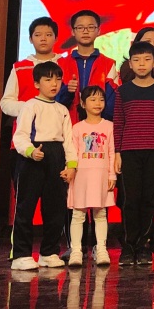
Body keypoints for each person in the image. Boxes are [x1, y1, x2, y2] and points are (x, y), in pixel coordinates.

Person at [10, 61, 77, 271]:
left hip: (56, 156)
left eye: (58, 79)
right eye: (48, 79)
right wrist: (30, 151)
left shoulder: (62, 109)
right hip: (33, 156)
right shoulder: (30, 106)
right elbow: (20, 135)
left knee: (55, 208)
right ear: (37, 83)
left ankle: (48, 252)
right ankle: (21, 254)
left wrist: (71, 165)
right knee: (26, 207)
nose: (54, 84)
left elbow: (69, 140)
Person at [113, 40, 154, 266]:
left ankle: (144, 244)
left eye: (147, 59)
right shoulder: (123, 91)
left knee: (149, 199)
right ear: (130, 64)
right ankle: (128, 246)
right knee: (130, 200)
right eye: (136, 60)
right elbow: (119, 122)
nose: (142, 64)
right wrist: (117, 152)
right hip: (129, 152)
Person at [66, 85, 115, 267]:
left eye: (101, 99)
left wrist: (112, 175)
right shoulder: (77, 128)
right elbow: (72, 152)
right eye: (93, 99)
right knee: (78, 214)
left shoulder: (109, 126)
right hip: (81, 176)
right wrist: (70, 169)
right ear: (83, 103)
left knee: (100, 214)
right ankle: (76, 251)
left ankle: (101, 249)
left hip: (101, 176)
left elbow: (111, 152)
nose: (98, 103)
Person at [58, 10, 119, 120]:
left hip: (99, 126)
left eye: (90, 27)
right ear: (73, 31)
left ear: (98, 31)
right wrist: (67, 91)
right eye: (80, 27)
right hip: (68, 125)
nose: (85, 31)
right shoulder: (61, 64)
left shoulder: (108, 64)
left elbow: (113, 100)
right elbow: (54, 101)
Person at [1, 16, 60, 118]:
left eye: (48, 35)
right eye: (38, 35)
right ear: (30, 39)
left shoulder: (66, 64)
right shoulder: (19, 68)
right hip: (27, 125)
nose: (43, 39)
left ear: (56, 39)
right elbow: (6, 102)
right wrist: (29, 108)